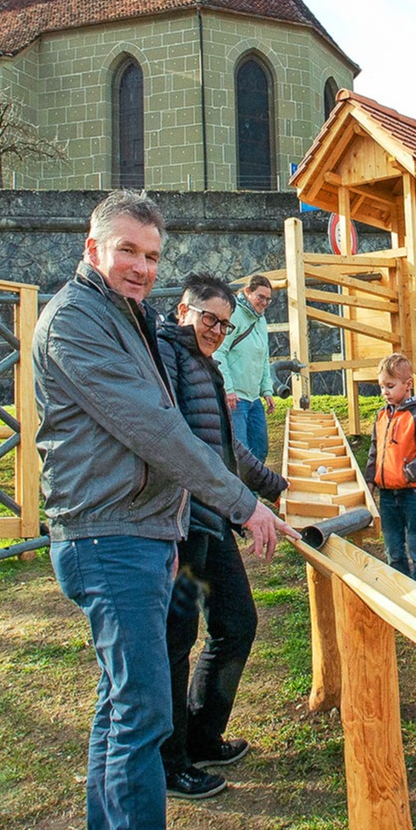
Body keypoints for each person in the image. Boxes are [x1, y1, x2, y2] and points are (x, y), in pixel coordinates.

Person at [33, 190, 296, 830]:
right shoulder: (79, 323)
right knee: (142, 717)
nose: (140, 267)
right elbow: (154, 428)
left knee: (121, 711)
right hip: (107, 539)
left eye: (151, 255)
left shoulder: (127, 318)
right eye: (127, 251)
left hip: (138, 534)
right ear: (92, 249)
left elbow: (181, 415)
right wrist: (242, 504)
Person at [155, 273, 287, 801]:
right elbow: (177, 442)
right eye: (208, 318)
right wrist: (242, 504)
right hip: (180, 525)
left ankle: (203, 735)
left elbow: (227, 447)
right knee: (174, 642)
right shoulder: (165, 355)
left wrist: (277, 488)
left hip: (213, 519)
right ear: (183, 310)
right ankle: (170, 761)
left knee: (236, 624)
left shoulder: (204, 364)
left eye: (224, 324)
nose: (215, 329)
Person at [361, 352, 416, 590]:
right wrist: (370, 480)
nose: (385, 391)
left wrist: (409, 472)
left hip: (411, 494)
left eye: (390, 386)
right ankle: (401, 589)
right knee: (392, 545)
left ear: (408, 385)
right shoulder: (381, 416)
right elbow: (375, 450)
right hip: (386, 494)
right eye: (382, 386)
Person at [215, 274, 275, 464]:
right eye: (260, 297)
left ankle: (254, 491)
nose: (264, 302)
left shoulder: (261, 320)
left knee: (260, 448)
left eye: (268, 299)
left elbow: (264, 357)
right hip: (236, 398)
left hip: (253, 396)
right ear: (247, 292)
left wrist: (267, 390)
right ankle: (244, 493)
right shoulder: (234, 314)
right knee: (241, 452)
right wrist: (228, 389)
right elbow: (219, 353)